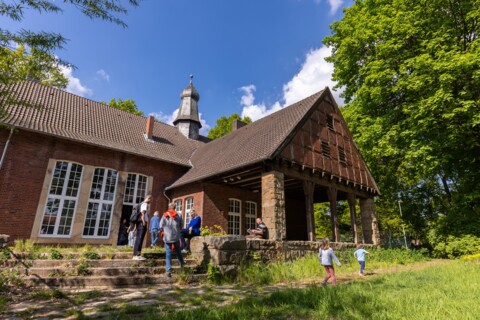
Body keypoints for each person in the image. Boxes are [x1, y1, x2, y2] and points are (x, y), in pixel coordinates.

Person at [160, 203, 185, 277]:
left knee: (168, 254)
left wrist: (164, 231)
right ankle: (182, 264)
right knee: (178, 252)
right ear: (175, 207)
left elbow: (160, 225)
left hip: (167, 238)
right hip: (176, 237)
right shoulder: (179, 215)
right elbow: (181, 226)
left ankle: (168, 271)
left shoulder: (165, 215)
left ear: (169, 207)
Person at [133, 194, 152, 260]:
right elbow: (142, 213)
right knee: (139, 239)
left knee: (139, 238)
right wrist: (144, 222)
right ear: (148, 198)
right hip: (142, 223)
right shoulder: (144, 204)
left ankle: (138, 254)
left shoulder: (141, 204)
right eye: (150, 199)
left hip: (139, 223)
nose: (151, 201)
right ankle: (136, 255)